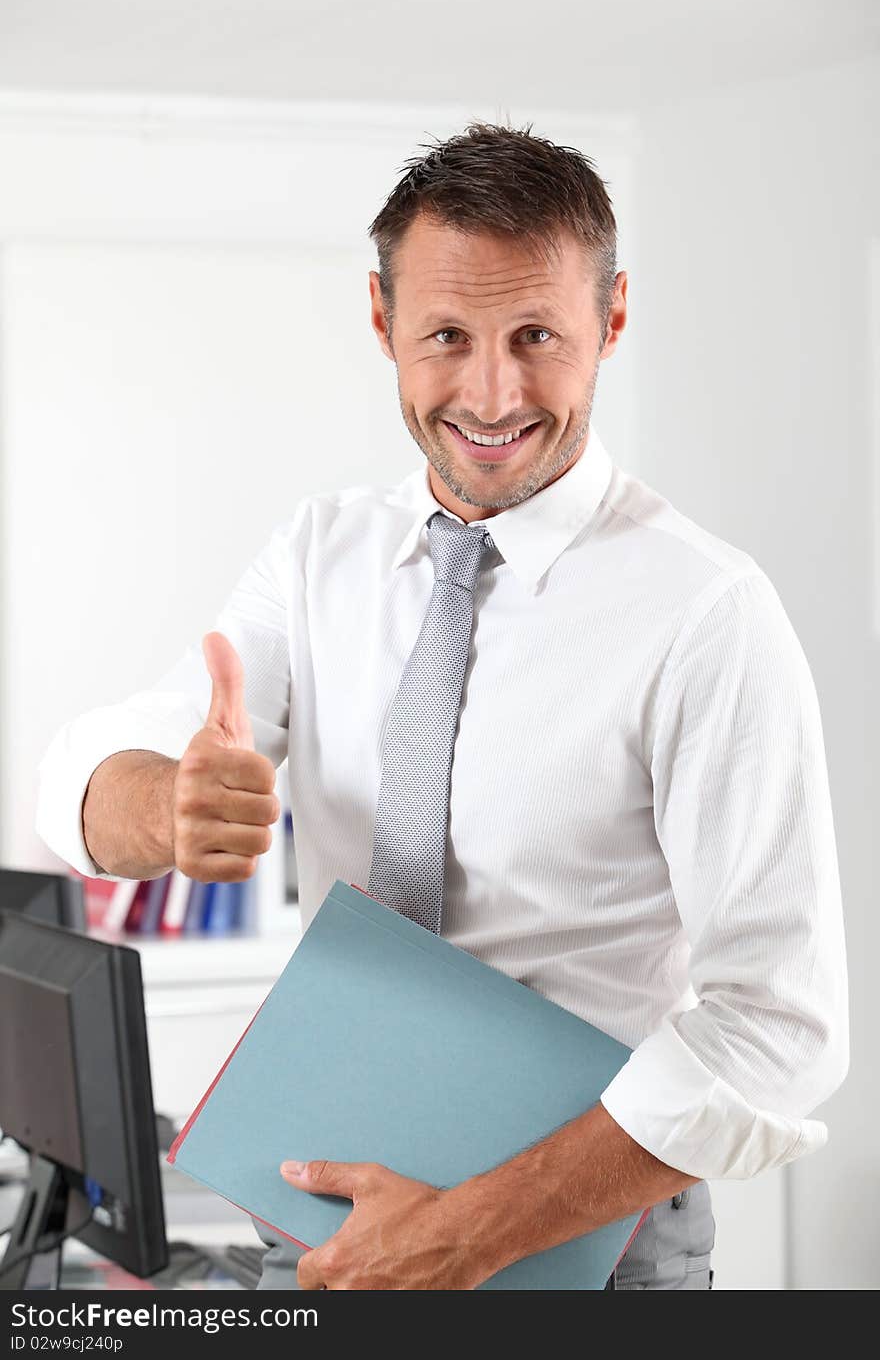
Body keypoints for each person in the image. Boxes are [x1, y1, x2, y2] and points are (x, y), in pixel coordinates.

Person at [35, 121, 849, 1292]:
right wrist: (164, 805)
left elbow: (778, 1025)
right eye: (446, 337)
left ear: (612, 321)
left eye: (537, 336)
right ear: (381, 322)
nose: (491, 391)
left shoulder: (707, 614)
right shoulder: (319, 554)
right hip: (315, 1209)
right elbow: (83, 773)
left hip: (581, 1246)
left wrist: (473, 1229)